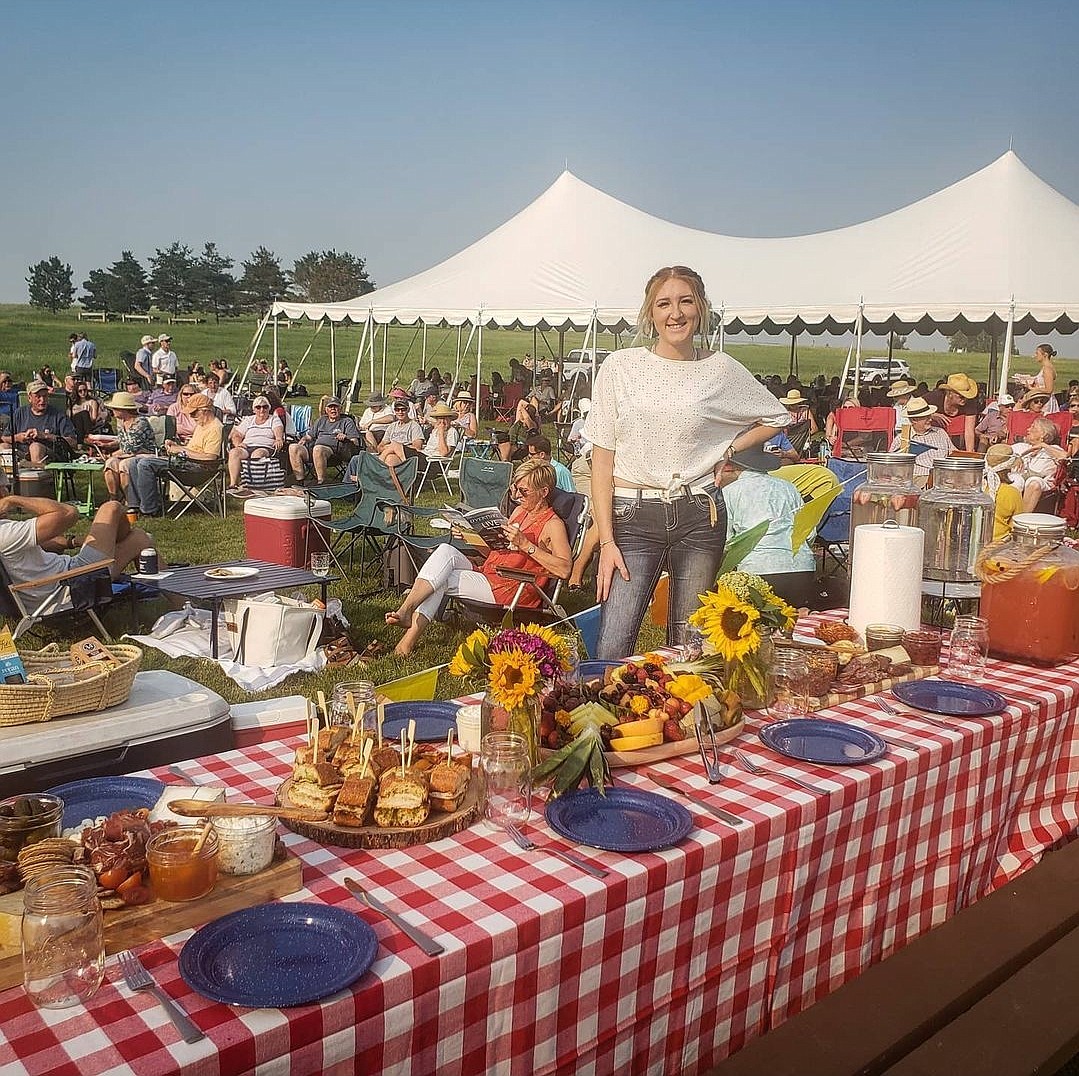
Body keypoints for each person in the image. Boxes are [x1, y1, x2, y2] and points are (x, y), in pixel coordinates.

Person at [585, 265, 790, 658]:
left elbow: (777, 416)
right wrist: (606, 541)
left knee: (690, 646)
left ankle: (679, 717)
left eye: (685, 301)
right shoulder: (621, 367)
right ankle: (606, 717)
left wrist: (728, 449)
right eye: (664, 304)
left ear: (700, 308)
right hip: (633, 515)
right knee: (613, 641)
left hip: (700, 512)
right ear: (650, 313)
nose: (675, 313)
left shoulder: (721, 368)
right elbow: (602, 460)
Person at [385, 459, 571, 656]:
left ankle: (406, 638)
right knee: (445, 550)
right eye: (515, 488)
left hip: (513, 587)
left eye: (524, 491)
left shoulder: (553, 525)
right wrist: (470, 537)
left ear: (544, 492)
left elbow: (565, 569)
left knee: (442, 579)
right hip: (493, 573)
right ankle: (406, 613)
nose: (517, 495)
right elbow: (495, 552)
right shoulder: (520, 512)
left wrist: (526, 545)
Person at [712, 447, 819, 609]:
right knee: (791, 625)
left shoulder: (730, 492)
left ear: (733, 466)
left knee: (758, 628)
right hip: (801, 568)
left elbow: (725, 541)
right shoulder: (789, 488)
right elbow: (809, 532)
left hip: (757, 571)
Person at [0, 495, 154, 605]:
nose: (4, 493)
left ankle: (173, 606)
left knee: (139, 538)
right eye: (2, 490)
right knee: (112, 508)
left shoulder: (6, 534)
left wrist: (70, 542)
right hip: (73, 585)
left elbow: (28, 544)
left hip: (54, 587)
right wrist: (13, 500)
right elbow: (68, 513)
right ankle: (175, 605)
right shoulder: (5, 533)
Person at [125, 393, 223, 516]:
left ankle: (149, 510)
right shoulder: (202, 425)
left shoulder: (215, 428)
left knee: (145, 464)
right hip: (187, 462)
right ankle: (135, 506)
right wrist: (176, 446)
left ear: (205, 411)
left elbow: (210, 457)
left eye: (194, 413)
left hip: (198, 469)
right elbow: (194, 449)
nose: (191, 417)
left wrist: (181, 450)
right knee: (135, 461)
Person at [288, 397, 359, 483]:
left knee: (318, 449)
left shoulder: (346, 421)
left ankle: (321, 482)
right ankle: (300, 481)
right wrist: (304, 439)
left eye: (335, 407)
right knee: (293, 447)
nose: (333, 409)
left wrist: (345, 437)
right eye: (330, 407)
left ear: (340, 408)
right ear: (326, 410)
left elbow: (355, 441)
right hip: (315, 449)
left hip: (334, 453)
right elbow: (309, 436)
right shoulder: (321, 420)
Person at [101, 392, 156, 502]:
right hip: (129, 454)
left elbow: (132, 448)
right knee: (110, 463)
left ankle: (130, 501)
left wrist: (113, 454)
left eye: (115, 408)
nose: (113, 411)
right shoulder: (121, 422)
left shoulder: (140, 423)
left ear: (123, 410)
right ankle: (114, 499)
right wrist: (108, 453)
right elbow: (123, 445)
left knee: (124, 465)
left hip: (145, 454)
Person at [6, 380, 77, 464]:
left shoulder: (58, 415)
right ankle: (9, 477)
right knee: (3, 447)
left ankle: (37, 475)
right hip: (22, 454)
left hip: (48, 456)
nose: (42, 400)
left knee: (35, 447)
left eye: (45, 396)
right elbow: (4, 438)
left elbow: (73, 441)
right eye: (38, 396)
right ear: (29, 398)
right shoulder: (19, 413)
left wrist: (45, 436)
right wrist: (17, 438)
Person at [227, 395, 284, 491]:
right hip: (247, 446)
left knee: (257, 454)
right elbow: (237, 434)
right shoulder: (249, 420)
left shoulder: (274, 419)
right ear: (254, 409)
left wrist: (278, 439)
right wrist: (238, 444)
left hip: (265, 447)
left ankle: (253, 484)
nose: (262, 410)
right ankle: (233, 484)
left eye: (265, 407)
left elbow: (278, 432)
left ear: (269, 408)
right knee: (234, 453)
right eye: (258, 407)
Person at [890, 396, 952, 484]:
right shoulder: (903, 439)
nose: (930, 419)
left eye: (929, 416)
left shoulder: (940, 432)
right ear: (914, 420)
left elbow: (954, 453)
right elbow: (891, 466)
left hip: (944, 476)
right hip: (918, 479)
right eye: (925, 417)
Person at [1011, 417, 1067, 512]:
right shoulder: (1021, 447)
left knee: (1034, 482)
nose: (1028, 429)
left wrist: (1043, 445)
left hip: (1042, 483)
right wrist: (1017, 457)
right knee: (1016, 481)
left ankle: (1021, 520)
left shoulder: (1052, 449)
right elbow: (1000, 453)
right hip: (1021, 480)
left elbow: (1065, 456)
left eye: (1033, 427)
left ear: (1043, 435)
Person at [925, 373, 979, 451]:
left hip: (959, 441)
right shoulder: (934, 397)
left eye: (966, 396)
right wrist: (931, 415)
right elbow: (914, 408)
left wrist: (969, 453)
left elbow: (969, 432)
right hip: (934, 440)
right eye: (961, 396)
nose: (964, 399)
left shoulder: (970, 403)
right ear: (950, 393)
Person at [983, 444, 1024, 540]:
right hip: (1000, 544)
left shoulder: (977, 488)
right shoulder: (1012, 493)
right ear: (1009, 468)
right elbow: (1017, 526)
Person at [375, 398, 425, 466]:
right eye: (397, 410)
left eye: (403, 409)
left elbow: (417, 447)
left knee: (394, 445)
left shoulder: (414, 426)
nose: (400, 412)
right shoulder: (392, 426)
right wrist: (390, 448)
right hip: (391, 455)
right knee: (390, 459)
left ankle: (376, 466)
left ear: (408, 410)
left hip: (407, 456)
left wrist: (397, 447)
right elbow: (380, 447)